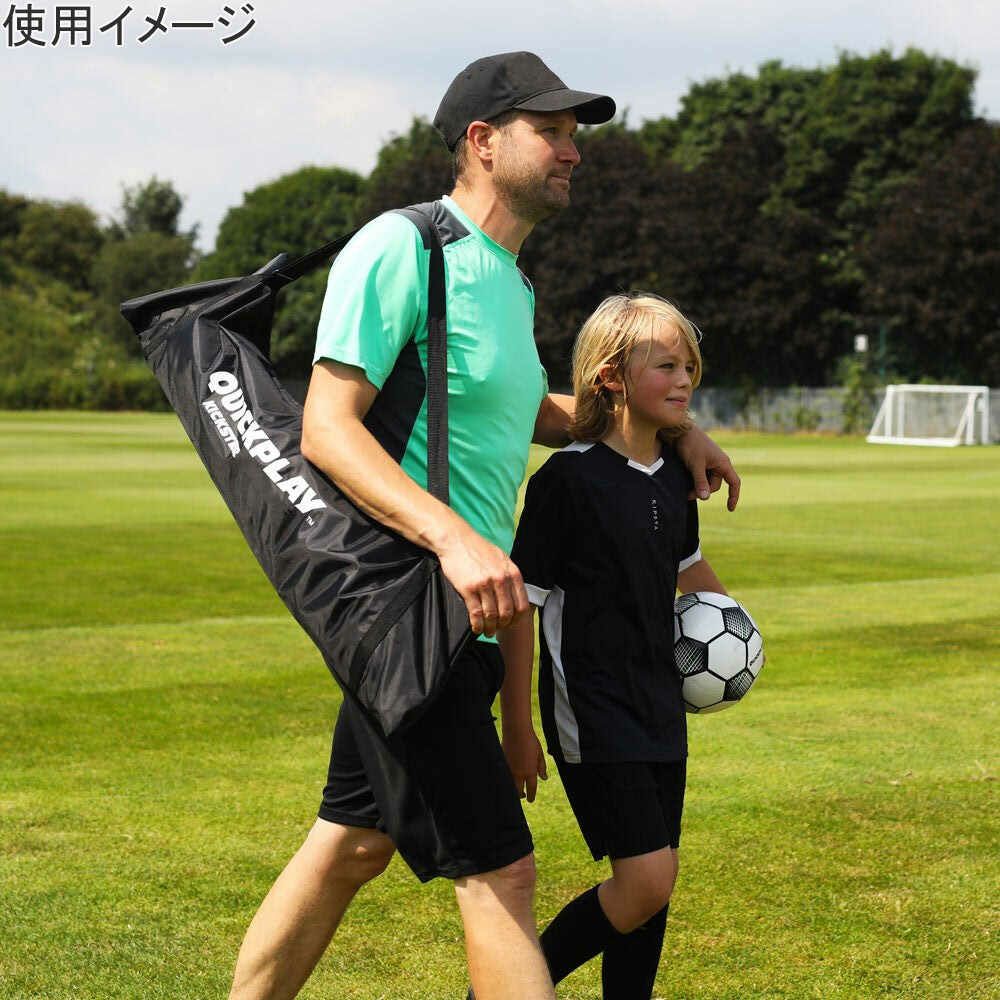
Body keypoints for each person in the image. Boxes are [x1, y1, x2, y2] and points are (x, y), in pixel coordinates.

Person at [228, 53, 740, 1000]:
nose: (572, 152)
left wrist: (677, 428)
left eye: (575, 136)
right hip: (408, 604)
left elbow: (528, 414)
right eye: (551, 132)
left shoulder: (510, 282)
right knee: (503, 873)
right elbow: (327, 429)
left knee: (352, 846)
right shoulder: (404, 246)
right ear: (482, 141)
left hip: (465, 616)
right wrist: (457, 539)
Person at [501, 293, 730, 998]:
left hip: (659, 704)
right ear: (610, 378)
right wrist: (516, 727)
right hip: (593, 710)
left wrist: (737, 634)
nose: (684, 380)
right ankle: (503, 989)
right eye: (665, 366)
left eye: (688, 366)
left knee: (652, 886)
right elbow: (522, 607)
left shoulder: (674, 475)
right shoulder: (568, 481)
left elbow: (689, 569)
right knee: (647, 879)